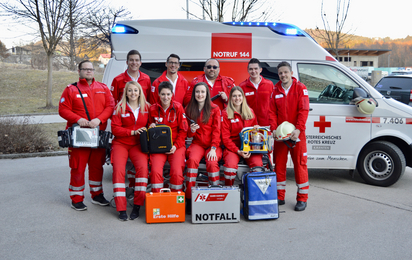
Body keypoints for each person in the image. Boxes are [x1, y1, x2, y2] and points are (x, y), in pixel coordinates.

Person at [59, 60, 115, 211]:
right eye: (85, 69)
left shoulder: (103, 88)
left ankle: (97, 195)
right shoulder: (71, 89)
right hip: (79, 135)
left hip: (98, 134)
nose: (88, 71)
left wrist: (99, 119)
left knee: (97, 166)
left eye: (91, 69)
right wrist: (78, 119)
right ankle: (76, 198)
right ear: (79, 71)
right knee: (78, 166)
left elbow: (110, 106)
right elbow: (63, 109)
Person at [269, 61, 309, 212]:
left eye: (285, 72)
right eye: (280, 73)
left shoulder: (300, 88)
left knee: (300, 165)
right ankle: (280, 196)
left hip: (297, 135)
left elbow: (303, 110)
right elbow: (271, 112)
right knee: (279, 165)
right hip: (281, 136)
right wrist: (273, 129)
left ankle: (302, 199)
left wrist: (298, 129)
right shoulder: (275, 90)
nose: (283, 75)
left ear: (291, 73)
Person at [110, 81, 150, 221]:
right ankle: (121, 209)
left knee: (143, 170)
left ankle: (137, 206)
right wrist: (132, 132)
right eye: (130, 90)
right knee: (119, 171)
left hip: (138, 145)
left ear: (140, 92)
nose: (133, 93)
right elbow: (115, 129)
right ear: (125, 93)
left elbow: (151, 124)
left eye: (136, 90)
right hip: (121, 143)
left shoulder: (147, 108)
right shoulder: (119, 108)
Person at [185, 82, 222, 212]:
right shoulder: (189, 108)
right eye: (197, 92)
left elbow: (217, 130)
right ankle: (189, 199)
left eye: (202, 92)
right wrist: (192, 131)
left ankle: (216, 196)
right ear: (194, 94)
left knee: (212, 163)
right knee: (192, 161)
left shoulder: (214, 109)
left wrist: (213, 148)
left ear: (207, 94)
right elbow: (187, 133)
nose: (199, 94)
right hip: (197, 144)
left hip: (213, 145)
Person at [148, 81, 188, 192]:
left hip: (175, 146)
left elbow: (183, 130)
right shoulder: (152, 109)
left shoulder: (179, 108)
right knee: (155, 172)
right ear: (159, 95)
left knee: (177, 172)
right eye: (163, 94)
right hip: (157, 148)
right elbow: (148, 129)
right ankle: (157, 200)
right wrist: (150, 127)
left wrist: (176, 146)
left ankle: (176, 199)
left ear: (172, 94)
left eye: (168, 94)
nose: (166, 97)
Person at [221, 86, 263, 186]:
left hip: (249, 147)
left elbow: (255, 133)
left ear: (243, 97)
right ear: (230, 98)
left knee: (257, 167)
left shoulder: (250, 112)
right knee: (230, 168)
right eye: (234, 96)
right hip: (233, 148)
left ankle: (252, 193)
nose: (237, 98)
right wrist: (238, 151)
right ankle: (229, 190)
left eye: (239, 95)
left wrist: (256, 131)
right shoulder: (225, 113)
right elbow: (225, 138)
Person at [239, 58, 275, 127]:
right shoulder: (242, 86)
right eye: (251, 69)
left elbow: (274, 105)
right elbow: (240, 106)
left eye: (256, 68)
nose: (253, 71)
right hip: (249, 124)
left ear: (260, 70)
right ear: (248, 70)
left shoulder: (269, 84)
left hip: (266, 124)